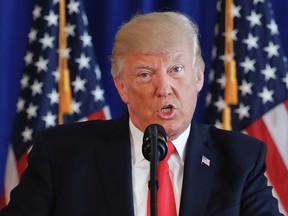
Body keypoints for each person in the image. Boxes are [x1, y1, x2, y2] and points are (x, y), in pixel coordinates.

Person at [0, 11, 283, 216]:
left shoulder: (241, 157)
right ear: (121, 87)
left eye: (176, 69)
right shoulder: (60, 154)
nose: (164, 88)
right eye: (145, 74)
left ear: (198, 77)